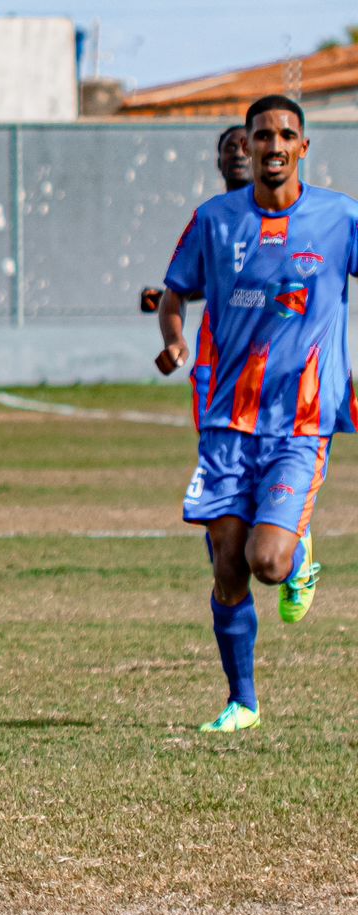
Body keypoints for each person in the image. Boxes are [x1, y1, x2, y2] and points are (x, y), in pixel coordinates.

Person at [155, 95, 358, 733]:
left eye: (286, 135)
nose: (273, 145)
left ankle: (297, 558)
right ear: (245, 145)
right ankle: (242, 701)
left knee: (267, 562)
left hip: (300, 419)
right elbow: (172, 291)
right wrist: (173, 339)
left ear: (303, 147)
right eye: (261, 135)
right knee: (226, 562)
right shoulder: (214, 221)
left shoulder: (339, 218)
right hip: (226, 421)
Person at [141, 124, 253, 429]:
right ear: (218, 162)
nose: (239, 153)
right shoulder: (209, 218)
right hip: (216, 360)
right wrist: (174, 338)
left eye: (245, 145)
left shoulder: (292, 219)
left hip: (273, 367)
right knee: (218, 464)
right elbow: (183, 288)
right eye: (230, 147)